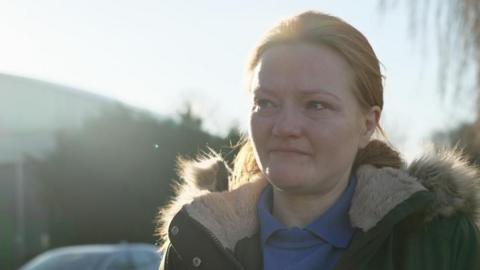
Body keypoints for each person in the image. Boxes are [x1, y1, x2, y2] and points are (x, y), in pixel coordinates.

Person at [156, 11, 480, 270]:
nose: (285, 127)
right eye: (266, 103)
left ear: (368, 124)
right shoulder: (197, 240)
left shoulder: (439, 240)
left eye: (316, 105)